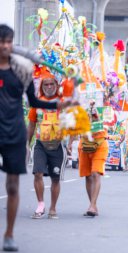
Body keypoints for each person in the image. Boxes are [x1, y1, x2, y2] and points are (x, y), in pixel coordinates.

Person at [0, 24, 73, 252]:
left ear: (12, 43)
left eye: (8, 42)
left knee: (13, 186)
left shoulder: (21, 69)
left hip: (14, 133)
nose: (4, 46)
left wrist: (56, 104)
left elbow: (34, 102)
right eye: (1, 42)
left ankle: (9, 235)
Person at [27, 71, 66, 220]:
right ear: (42, 87)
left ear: (56, 86)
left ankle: (53, 208)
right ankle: (41, 204)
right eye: (46, 84)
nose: (49, 87)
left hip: (57, 146)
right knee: (38, 174)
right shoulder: (36, 105)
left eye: (52, 84)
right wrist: (26, 144)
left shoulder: (63, 102)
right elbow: (31, 125)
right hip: (40, 145)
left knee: (55, 179)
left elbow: (73, 120)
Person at [69, 101, 109, 217]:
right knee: (88, 176)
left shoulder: (103, 108)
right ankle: (93, 205)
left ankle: (92, 205)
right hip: (85, 145)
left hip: (100, 144)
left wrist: (96, 112)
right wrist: (70, 144)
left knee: (95, 174)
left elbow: (103, 123)